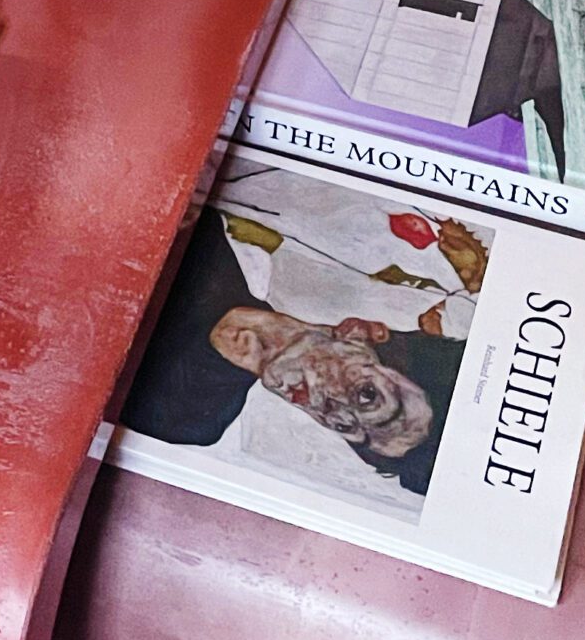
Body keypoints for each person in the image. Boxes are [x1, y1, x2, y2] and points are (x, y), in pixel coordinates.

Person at [128, 208, 464, 495]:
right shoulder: (214, 238)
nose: (323, 407)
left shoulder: (183, 415)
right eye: (366, 395)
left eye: (345, 427)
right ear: (363, 333)